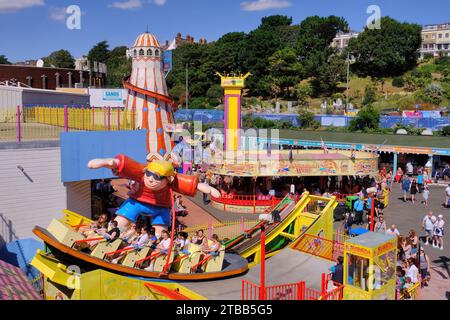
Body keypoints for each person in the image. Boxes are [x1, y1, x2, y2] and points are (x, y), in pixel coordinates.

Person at [88, 155, 221, 236]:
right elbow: (121, 164)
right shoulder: (140, 173)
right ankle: (113, 233)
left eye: (157, 177)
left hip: (160, 207)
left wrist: (208, 189)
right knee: (122, 218)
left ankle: (158, 244)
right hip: (138, 202)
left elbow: (191, 184)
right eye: (149, 174)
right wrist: (105, 162)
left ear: (168, 179)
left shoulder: (173, 182)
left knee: (161, 229)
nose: (151, 179)